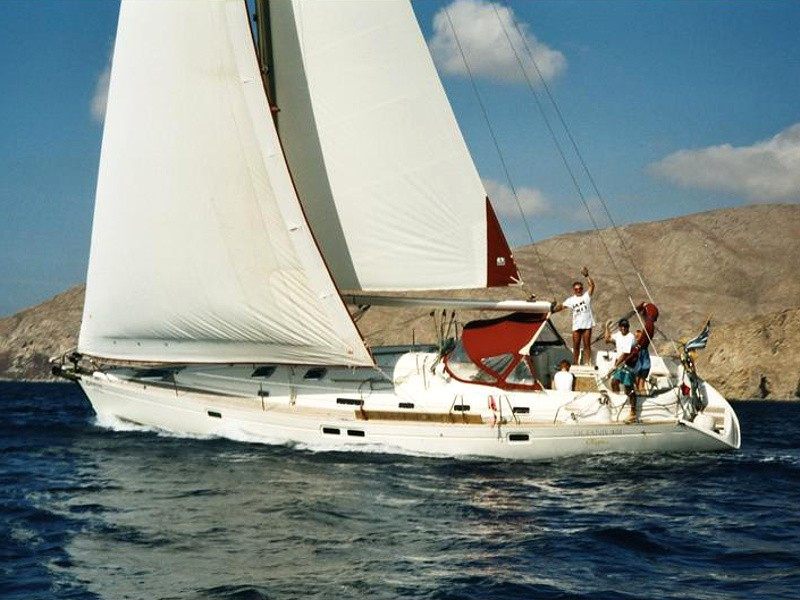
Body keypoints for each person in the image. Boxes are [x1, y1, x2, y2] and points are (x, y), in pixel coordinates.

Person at [551, 267, 595, 366]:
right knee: (576, 345)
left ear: (582, 289)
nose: (578, 291)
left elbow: (592, 285)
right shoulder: (571, 300)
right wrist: (551, 311)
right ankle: (576, 362)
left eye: (580, 289)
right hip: (577, 325)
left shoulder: (586, 297)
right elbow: (561, 306)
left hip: (587, 325)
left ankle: (588, 362)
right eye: (576, 289)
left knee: (587, 344)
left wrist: (587, 276)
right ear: (573, 290)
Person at [604, 318, 637, 422]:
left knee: (628, 388)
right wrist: (607, 327)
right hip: (619, 363)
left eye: (625, 327)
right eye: (622, 326)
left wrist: (614, 366)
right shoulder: (618, 335)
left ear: (628, 327)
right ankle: (617, 401)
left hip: (627, 364)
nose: (623, 328)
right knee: (614, 382)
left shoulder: (630, 337)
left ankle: (633, 411)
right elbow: (607, 339)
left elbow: (625, 354)